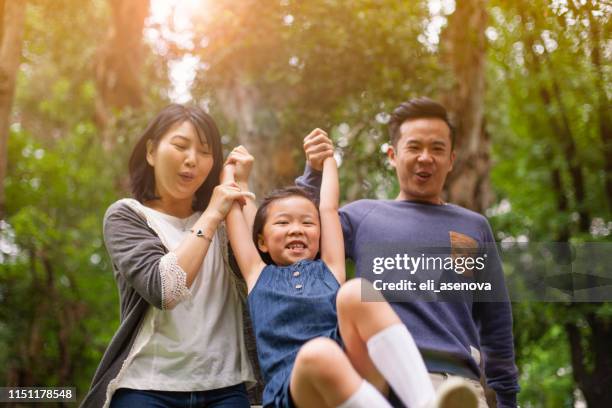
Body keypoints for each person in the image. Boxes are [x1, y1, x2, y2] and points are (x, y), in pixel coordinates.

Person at [296, 97, 520, 408]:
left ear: (452, 159)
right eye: (414, 147)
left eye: (437, 149)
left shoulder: (473, 227)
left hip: (455, 389)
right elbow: (304, 236)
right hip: (378, 388)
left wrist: (508, 401)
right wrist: (313, 173)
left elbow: (496, 324)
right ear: (392, 155)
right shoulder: (361, 217)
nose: (425, 158)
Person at [223, 147, 479, 408]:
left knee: (356, 291)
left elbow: (329, 207)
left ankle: (425, 402)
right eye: (283, 223)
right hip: (292, 391)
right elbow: (234, 213)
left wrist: (328, 159)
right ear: (262, 243)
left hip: (347, 373)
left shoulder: (330, 268)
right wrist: (231, 171)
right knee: (318, 353)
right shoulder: (257, 274)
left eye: (307, 223)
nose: (296, 230)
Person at [81, 104, 258, 408]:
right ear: (151, 151)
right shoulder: (127, 215)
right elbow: (165, 290)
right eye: (180, 145)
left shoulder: (226, 220)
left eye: (205, 152)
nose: (191, 160)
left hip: (226, 387)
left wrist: (240, 185)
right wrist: (214, 213)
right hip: (146, 387)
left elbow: (264, 265)